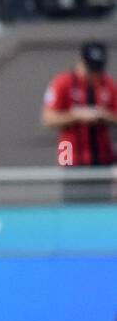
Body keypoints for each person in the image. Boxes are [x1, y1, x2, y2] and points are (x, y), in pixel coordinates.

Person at [42, 41, 117, 204]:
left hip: (101, 154)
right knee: (73, 197)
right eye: (90, 68)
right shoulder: (62, 82)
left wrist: (104, 115)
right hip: (69, 151)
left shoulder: (108, 84)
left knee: (101, 201)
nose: (93, 74)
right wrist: (76, 116)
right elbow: (48, 119)